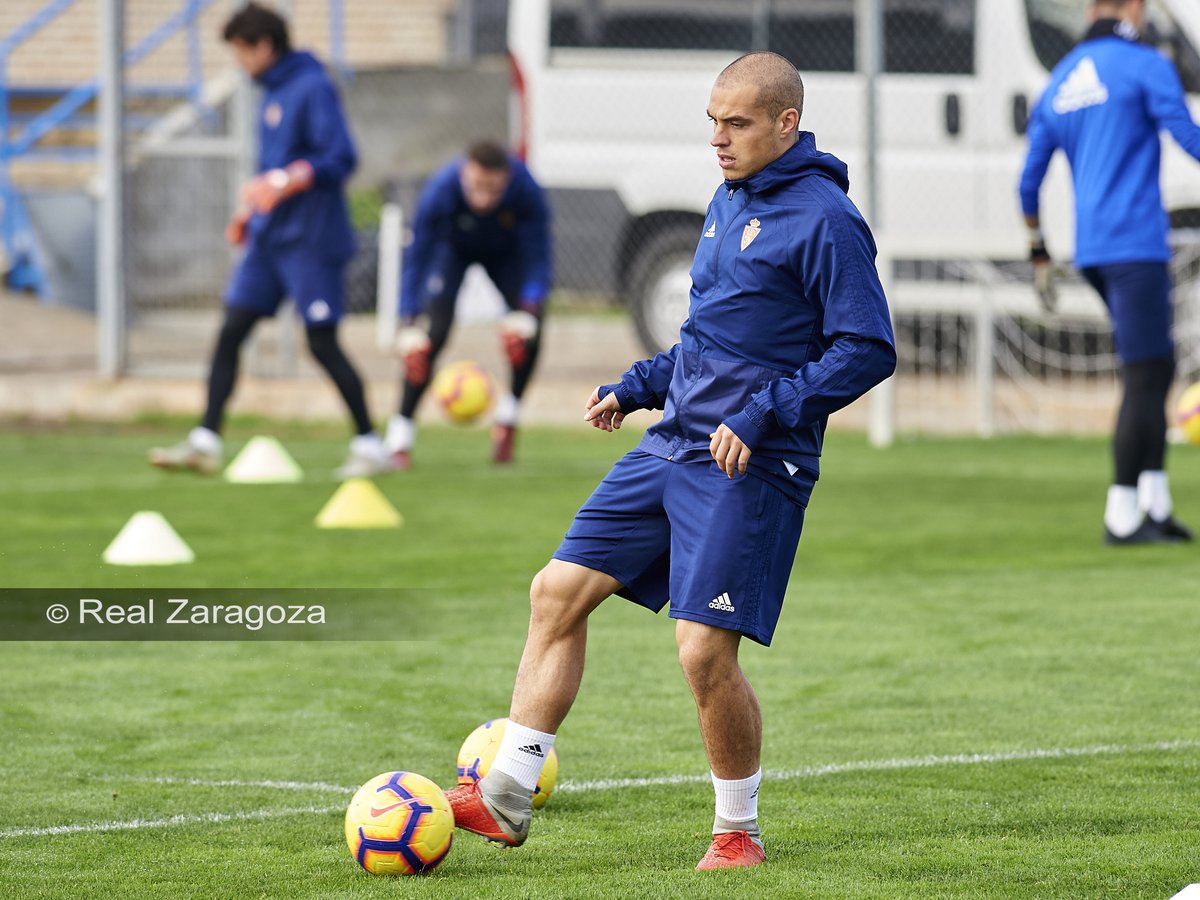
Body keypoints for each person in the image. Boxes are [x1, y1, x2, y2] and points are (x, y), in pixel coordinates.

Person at [444, 52, 896, 869]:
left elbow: (866, 348)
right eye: (713, 123)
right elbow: (711, 337)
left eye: (738, 124)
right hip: (675, 441)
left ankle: (738, 833)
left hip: (749, 464)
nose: (718, 140)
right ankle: (505, 796)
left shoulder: (826, 218)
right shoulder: (729, 199)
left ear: (786, 124)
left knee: (700, 650)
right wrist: (641, 385)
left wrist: (765, 413)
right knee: (556, 591)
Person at [149, 2, 392, 479]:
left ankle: (370, 444)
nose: (238, 63)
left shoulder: (313, 86)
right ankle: (205, 441)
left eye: (241, 52)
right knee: (231, 331)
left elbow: (340, 157)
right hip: (270, 239)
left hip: (311, 240)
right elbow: (272, 170)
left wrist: (286, 181)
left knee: (321, 343)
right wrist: (249, 209)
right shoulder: (272, 92)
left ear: (263, 46)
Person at [1019, 0, 1200, 544]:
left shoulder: (1061, 80)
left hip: (1090, 249)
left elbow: (1027, 183)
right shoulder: (1146, 64)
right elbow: (1189, 138)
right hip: (1136, 245)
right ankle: (1122, 516)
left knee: (1157, 366)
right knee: (1145, 374)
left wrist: (1039, 251)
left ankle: (1155, 503)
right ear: (1134, 8)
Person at [387, 141, 552, 467]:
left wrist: (529, 309)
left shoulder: (527, 189)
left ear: (507, 179)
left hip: (506, 255)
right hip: (453, 250)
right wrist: (407, 320)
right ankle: (399, 437)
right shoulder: (440, 190)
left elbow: (539, 253)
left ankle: (507, 420)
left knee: (529, 334)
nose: (484, 199)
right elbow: (417, 257)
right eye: (477, 187)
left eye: (493, 189)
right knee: (429, 339)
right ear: (464, 174)